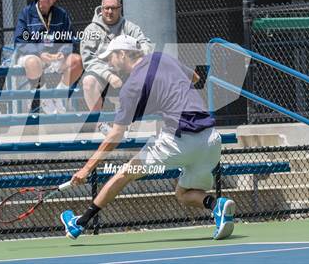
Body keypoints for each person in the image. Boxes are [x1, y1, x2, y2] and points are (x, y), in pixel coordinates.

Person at [60, 35, 235, 240]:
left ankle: (79, 224)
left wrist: (86, 169)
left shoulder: (130, 88)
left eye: (112, 57)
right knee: (183, 193)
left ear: (123, 54)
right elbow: (194, 78)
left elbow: (116, 135)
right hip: (211, 140)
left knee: (124, 173)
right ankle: (217, 206)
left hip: (178, 141)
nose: (110, 63)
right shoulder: (162, 58)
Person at [80, 0, 153, 133]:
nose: (109, 11)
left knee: (146, 71)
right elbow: (88, 59)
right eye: (106, 8)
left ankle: (135, 119)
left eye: (113, 8)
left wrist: (134, 56)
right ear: (101, 9)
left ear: (120, 9)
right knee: (88, 81)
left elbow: (146, 45)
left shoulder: (130, 27)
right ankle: (100, 124)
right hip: (103, 74)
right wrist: (108, 75)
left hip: (126, 71)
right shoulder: (91, 30)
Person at [14, 0, 83, 113]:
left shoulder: (61, 14)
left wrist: (62, 53)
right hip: (33, 55)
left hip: (55, 57)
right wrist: (40, 53)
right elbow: (20, 40)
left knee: (76, 61)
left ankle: (58, 96)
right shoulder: (26, 13)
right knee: (33, 62)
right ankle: (45, 98)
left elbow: (69, 39)